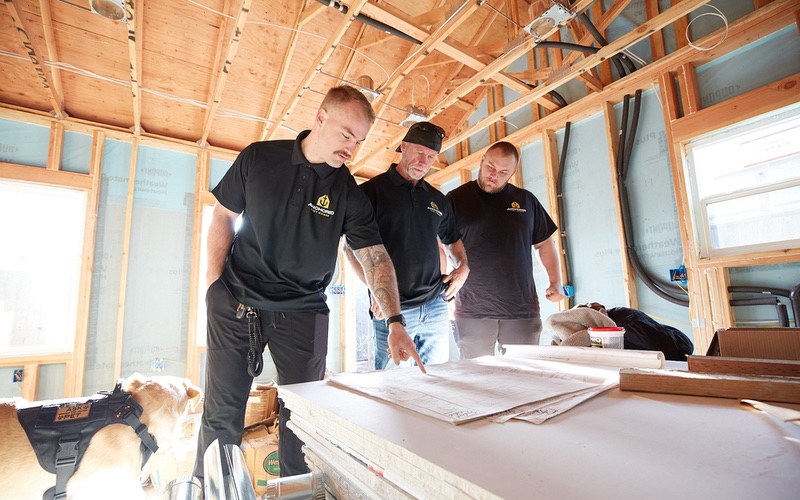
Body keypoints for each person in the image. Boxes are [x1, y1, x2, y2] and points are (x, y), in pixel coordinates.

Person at [194, 86, 424, 482]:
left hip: (303, 309)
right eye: (346, 134)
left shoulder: (347, 191)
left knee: (301, 418)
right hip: (237, 302)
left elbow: (374, 256)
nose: (351, 147)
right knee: (221, 415)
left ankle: (295, 493)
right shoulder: (259, 158)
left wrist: (395, 321)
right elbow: (223, 217)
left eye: (360, 140)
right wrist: (214, 288)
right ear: (320, 118)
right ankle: (213, 491)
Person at [344, 122, 469, 369]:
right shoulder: (370, 192)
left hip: (435, 306)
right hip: (393, 310)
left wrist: (463, 267)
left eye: (431, 156)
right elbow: (350, 249)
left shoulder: (437, 200)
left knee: (434, 379)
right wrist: (378, 294)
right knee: (392, 385)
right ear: (403, 147)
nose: (425, 161)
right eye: (419, 152)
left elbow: (451, 239)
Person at [446, 140, 565, 359]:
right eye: (490, 167)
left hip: (521, 310)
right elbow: (440, 243)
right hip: (472, 310)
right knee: (476, 381)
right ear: (482, 161)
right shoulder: (455, 199)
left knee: (523, 379)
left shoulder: (526, 200)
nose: (494, 175)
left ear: (513, 172)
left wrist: (555, 281)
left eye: (503, 172)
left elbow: (543, 243)